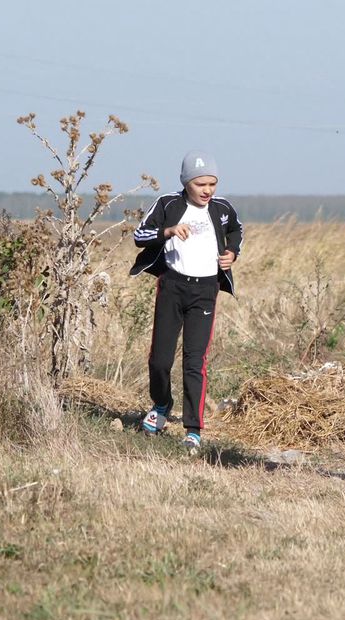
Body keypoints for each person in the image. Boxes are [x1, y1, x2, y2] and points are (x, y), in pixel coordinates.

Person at [130, 151, 243, 454]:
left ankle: (193, 429)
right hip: (173, 286)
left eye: (212, 184)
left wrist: (232, 252)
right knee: (160, 359)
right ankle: (162, 403)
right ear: (186, 182)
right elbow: (139, 236)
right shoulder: (168, 204)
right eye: (200, 184)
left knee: (195, 361)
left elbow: (236, 229)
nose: (207, 190)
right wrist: (166, 232)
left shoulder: (222, 208)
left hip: (206, 290)